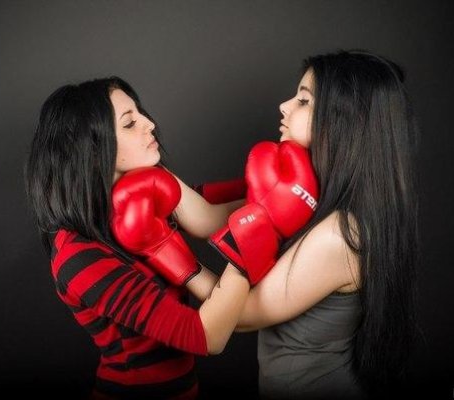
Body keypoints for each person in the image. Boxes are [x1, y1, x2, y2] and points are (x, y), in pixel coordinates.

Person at [24, 76, 319, 399]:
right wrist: (259, 231)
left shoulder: (148, 189)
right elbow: (206, 336)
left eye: (141, 113)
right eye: (130, 123)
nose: (150, 124)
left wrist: (298, 178)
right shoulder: (79, 256)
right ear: (92, 149)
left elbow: (210, 215)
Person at [170, 49, 420, 399]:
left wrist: (166, 253)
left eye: (303, 101)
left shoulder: (341, 234)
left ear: (342, 122)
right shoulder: (304, 195)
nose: (284, 106)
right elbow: (205, 218)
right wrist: (141, 168)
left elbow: (240, 315)